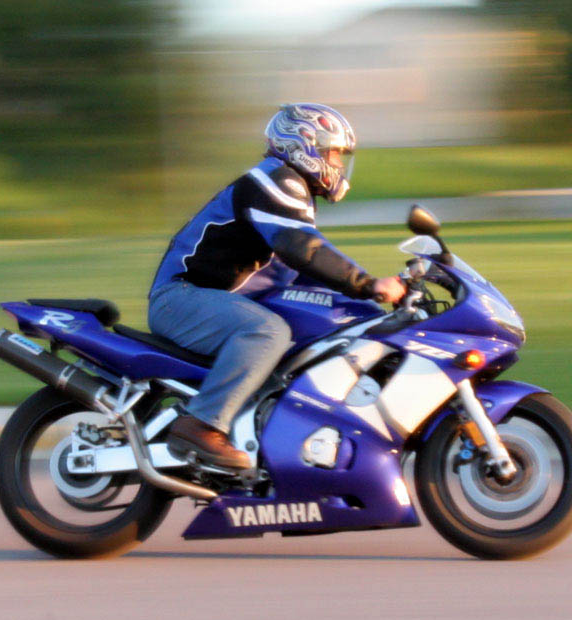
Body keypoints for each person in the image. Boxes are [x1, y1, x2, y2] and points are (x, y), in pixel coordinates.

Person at [148, 103, 405, 469]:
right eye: (332, 152)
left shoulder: (290, 188)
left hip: (209, 299)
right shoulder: (275, 181)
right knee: (267, 332)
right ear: (304, 143)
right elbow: (302, 248)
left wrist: (366, 303)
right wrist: (368, 284)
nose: (337, 163)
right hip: (182, 297)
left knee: (322, 324)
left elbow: (300, 269)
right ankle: (200, 425)